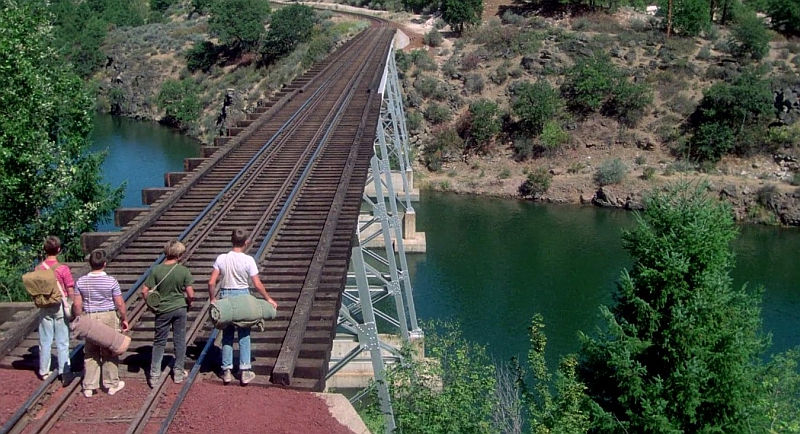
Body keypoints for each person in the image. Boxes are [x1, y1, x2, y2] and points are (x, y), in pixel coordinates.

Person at [208, 229, 277, 385]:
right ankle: (244, 371)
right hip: (243, 297)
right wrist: (268, 299)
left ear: (231, 241)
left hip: (226, 298)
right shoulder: (248, 260)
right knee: (244, 334)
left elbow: (211, 282)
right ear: (246, 243)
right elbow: (257, 284)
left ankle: (226, 371)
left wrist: (213, 299)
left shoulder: (222, 258)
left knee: (226, 335)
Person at [73, 248, 129, 397]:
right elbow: (119, 303)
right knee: (110, 349)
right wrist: (124, 318)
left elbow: (77, 305)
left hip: (90, 316)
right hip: (108, 316)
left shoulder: (81, 281)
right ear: (104, 263)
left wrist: (80, 319)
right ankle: (111, 384)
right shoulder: (111, 281)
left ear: (90, 263)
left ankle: (89, 386)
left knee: (90, 352)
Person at [142, 240, 195, 388]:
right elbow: (191, 293)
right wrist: (189, 302)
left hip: (163, 310)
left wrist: (151, 304)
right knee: (179, 340)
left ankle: (154, 374)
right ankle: (178, 372)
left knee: (159, 342)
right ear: (179, 254)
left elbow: (144, 291)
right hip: (179, 308)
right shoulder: (183, 271)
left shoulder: (156, 270)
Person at [35, 236, 74, 383]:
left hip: (45, 305)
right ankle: (64, 370)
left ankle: (44, 370)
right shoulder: (62, 268)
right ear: (58, 250)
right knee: (62, 340)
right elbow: (69, 288)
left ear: (45, 250)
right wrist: (71, 304)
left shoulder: (38, 268)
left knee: (45, 340)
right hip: (59, 305)